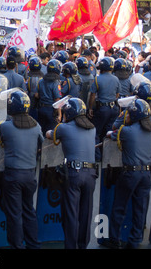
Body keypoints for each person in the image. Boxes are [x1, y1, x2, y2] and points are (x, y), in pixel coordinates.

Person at [46, 97, 97, 249]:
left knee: (71, 214)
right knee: (86, 214)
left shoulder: (63, 128)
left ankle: (71, 246)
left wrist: (60, 120)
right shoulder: (92, 128)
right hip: (91, 173)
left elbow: (49, 134)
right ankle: (83, 245)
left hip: (74, 173)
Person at [104, 99, 151, 249]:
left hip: (130, 174)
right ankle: (134, 240)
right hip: (146, 174)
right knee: (140, 209)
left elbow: (111, 132)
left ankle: (115, 239)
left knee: (119, 207)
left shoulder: (126, 131)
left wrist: (122, 120)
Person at [0, 89, 43, 249]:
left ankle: (17, 246)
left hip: (13, 175)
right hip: (30, 174)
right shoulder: (36, 126)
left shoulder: (4, 127)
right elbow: (41, 143)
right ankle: (33, 244)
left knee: (14, 214)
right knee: (29, 211)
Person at [87, 57, 120, 161]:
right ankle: (108, 155)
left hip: (102, 108)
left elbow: (92, 95)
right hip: (113, 108)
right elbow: (117, 95)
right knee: (109, 132)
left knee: (96, 132)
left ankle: (97, 156)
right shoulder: (116, 78)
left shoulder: (98, 78)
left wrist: (90, 108)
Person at [35, 59, 63, 135]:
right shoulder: (55, 83)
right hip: (51, 110)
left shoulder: (41, 81)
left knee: (41, 132)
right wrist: (60, 114)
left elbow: (36, 95)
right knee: (50, 133)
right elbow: (57, 100)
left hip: (41, 108)